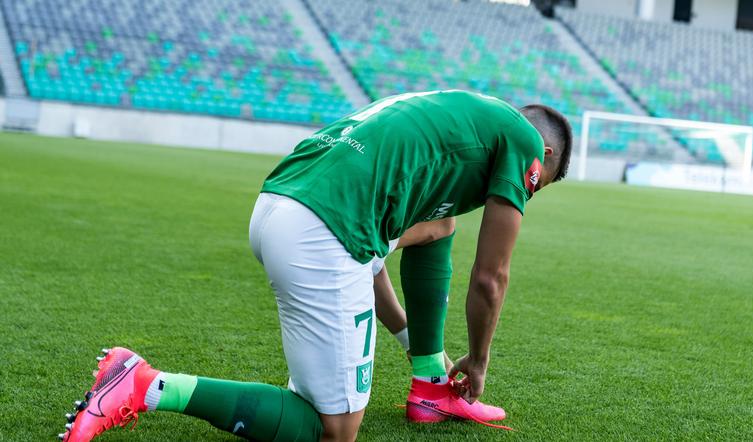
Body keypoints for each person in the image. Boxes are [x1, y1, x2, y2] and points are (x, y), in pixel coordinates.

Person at [59, 89, 572, 441]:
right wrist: (478, 362)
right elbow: (490, 278)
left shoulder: (458, 116)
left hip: (279, 207)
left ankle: (429, 386)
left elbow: (377, 250)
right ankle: (145, 384)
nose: (524, 192)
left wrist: (415, 346)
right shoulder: (524, 143)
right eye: (537, 185)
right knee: (334, 430)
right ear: (541, 154)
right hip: (319, 236)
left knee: (440, 226)